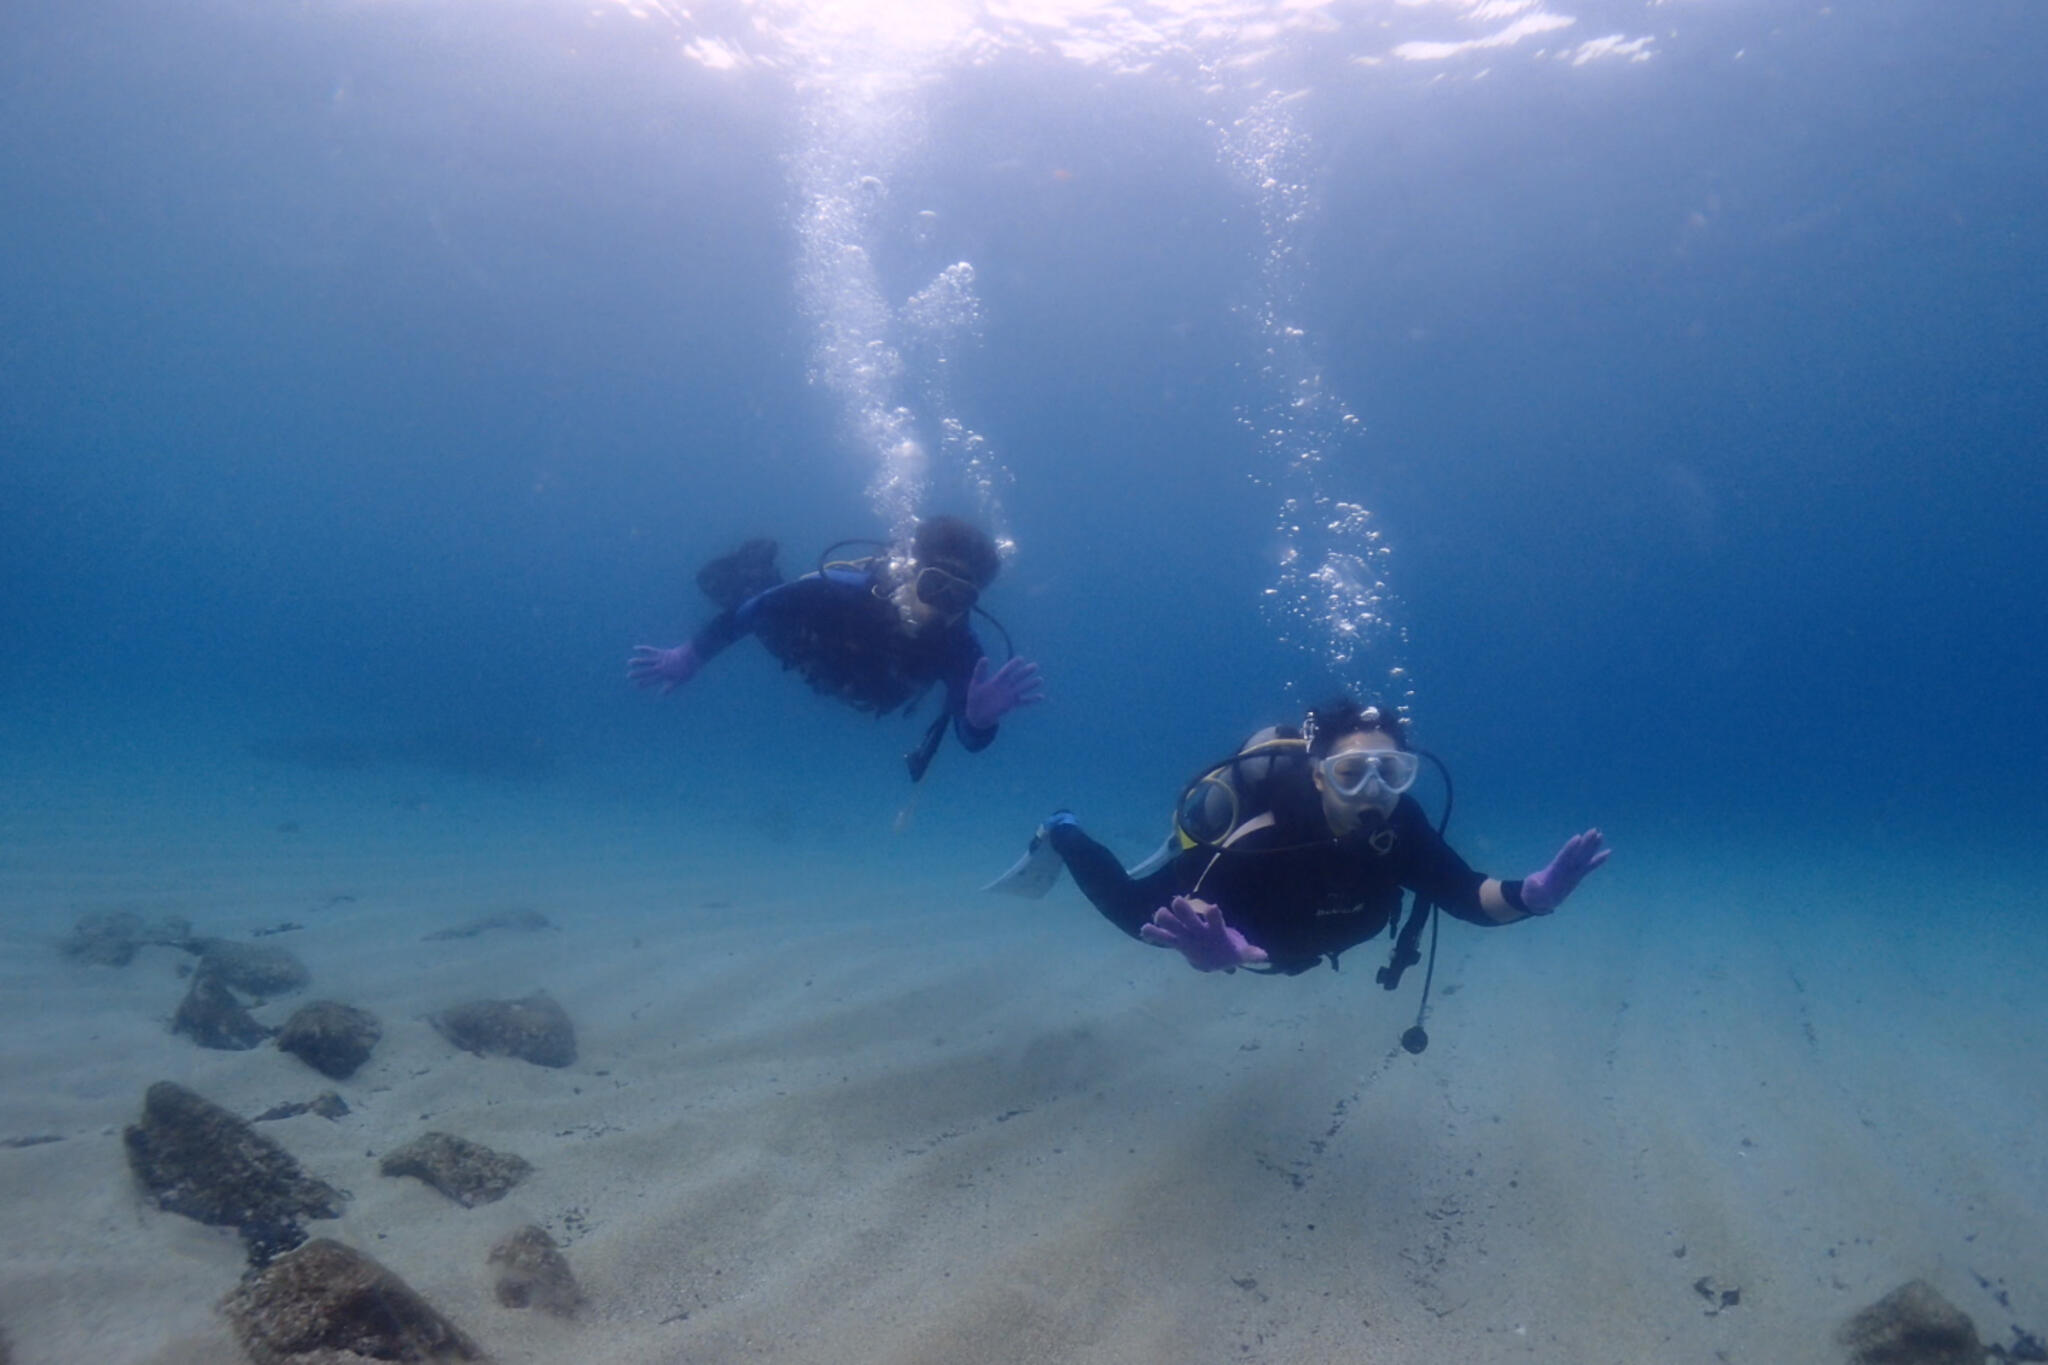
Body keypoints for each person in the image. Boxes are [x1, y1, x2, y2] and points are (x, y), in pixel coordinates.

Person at [990, 697, 1607, 976]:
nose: (1372, 789)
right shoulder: (1267, 827)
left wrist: (1535, 896)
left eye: (1391, 771)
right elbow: (1199, 906)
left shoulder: (1403, 827)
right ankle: (1064, 829)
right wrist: (1215, 950)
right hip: (1245, 920)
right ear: (1318, 778)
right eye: (1349, 771)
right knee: (1130, 909)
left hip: (1294, 947)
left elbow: (1465, 894)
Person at [629, 515, 1044, 780]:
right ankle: (755, 567)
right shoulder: (845, 590)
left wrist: (979, 722)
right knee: (758, 601)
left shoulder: (962, 651)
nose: (941, 607)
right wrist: (690, 656)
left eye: (959, 598)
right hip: (806, 644)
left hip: (864, 684)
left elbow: (969, 740)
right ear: (911, 570)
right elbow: (754, 610)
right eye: (934, 585)